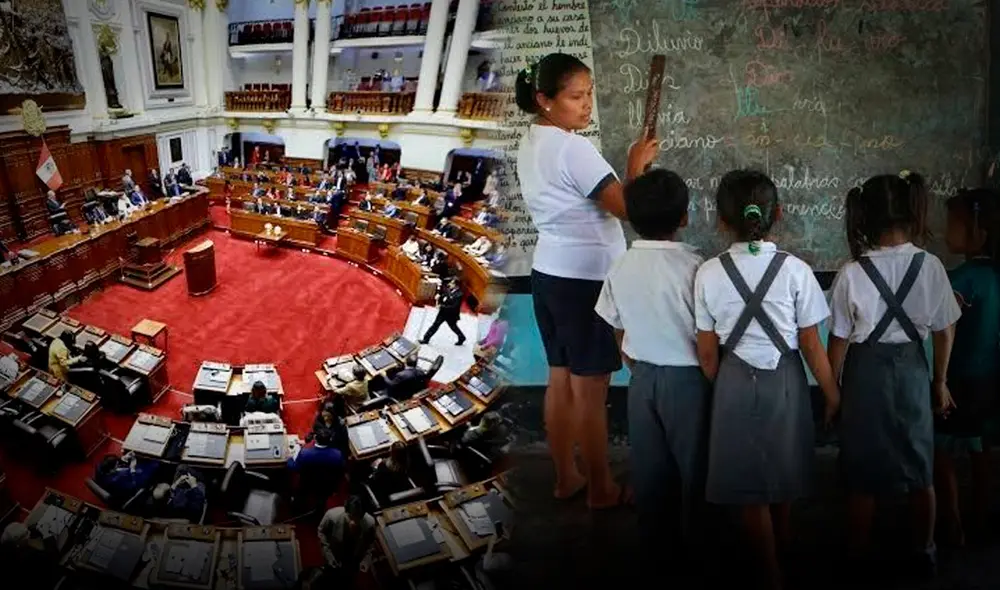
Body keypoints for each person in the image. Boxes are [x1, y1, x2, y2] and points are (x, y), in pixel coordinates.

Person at [514, 52, 658, 509]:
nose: (586, 105)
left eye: (589, 93)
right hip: (586, 282)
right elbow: (629, 208)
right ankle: (601, 488)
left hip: (550, 274)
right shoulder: (573, 148)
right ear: (544, 99)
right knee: (591, 390)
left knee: (560, 378)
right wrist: (635, 165)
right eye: (576, 97)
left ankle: (567, 477)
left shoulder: (532, 138)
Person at [694, 170, 838, 590]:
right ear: (778, 213)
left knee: (748, 483)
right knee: (782, 463)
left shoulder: (708, 273)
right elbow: (812, 345)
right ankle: (783, 541)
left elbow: (706, 352)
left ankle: (768, 566)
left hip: (733, 381)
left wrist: (723, 384)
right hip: (787, 378)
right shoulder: (796, 270)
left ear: (721, 221)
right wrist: (832, 394)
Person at [828, 171, 960, 577]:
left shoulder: (851, 272)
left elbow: (838, 341)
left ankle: (856, 553)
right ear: (912, 211)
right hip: (912, 374)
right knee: (921, 466)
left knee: (863, 472)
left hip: (865, 376)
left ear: (864, 216)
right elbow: (943, 331)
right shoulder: (931, 265)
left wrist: (832, 392)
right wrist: (940, 381)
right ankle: (925, 549)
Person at [593, 169, 710, 567]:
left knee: (650, 467)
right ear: (684, 218)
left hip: (642, 379)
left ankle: (656, 549)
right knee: (696, 466)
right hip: (689, 379)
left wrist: (631, 358)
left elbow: (615, 323)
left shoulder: (621, 266)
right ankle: (698, 546)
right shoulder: (698, 267)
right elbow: (709, 332)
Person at [933, 188, 1000, 547]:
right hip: (989, 379)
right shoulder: (993, 275)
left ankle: (952, 522)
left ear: (977, 232)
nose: (946, 233)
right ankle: (981, 513)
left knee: (939, 448)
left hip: (959, 380)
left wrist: (938, 378)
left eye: (952, 225)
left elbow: (945, 327)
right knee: (980, 447)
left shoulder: (960, 280)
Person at [318, 496, 376, 587]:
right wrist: (328, 554)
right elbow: (321, 532)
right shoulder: (332, 516)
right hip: (335, 553)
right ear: (346, 510)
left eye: (358, 517)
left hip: (354, 558)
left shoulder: (370, 523)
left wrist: (366, 560)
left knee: (349, 581)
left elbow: (370, 543)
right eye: (351, 516)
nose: (354, 522)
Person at [420, 278, 466, 346]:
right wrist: (439, 296)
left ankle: (462, 337)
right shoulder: (449, 289)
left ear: (457, 285)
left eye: (452, 283)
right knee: (435, 325)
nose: (450, 284)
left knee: (453, 327)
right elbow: (444, 296)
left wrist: (441, 306)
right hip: (442, 312)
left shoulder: (459, 294)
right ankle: (426, 339)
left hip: (451, 314)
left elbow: (454, 307)